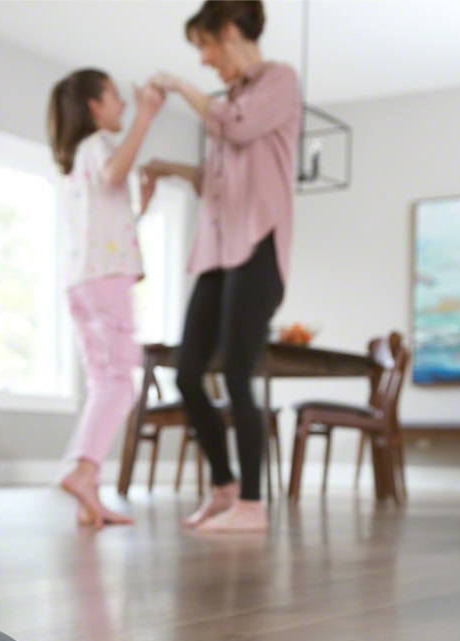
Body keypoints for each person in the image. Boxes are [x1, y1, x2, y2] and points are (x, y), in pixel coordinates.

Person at [140, 0, 300, 533]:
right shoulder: (226, 102)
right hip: (217, 251)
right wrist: (171, 169)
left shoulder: (278, 82)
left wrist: (182, 86)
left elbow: (238, 128)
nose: (206, 60)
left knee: (235, 372)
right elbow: (218, 178)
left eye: (205, 45)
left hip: (257, 250)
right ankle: (225, 487)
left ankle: (252, 506)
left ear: (228, 30)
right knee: (187, 376)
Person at [47, 69, 165, 529]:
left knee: (103, 381)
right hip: (105, 279)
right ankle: (84, 469)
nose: (124, 106)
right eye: (117, 98)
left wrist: (145, 205)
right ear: (94, 105)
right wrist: (148, 116)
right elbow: (117, 173)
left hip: (82, 281)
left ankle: (88, 500)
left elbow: (109, 212)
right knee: (120, 383)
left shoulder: (77, 158)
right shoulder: (98, 145)